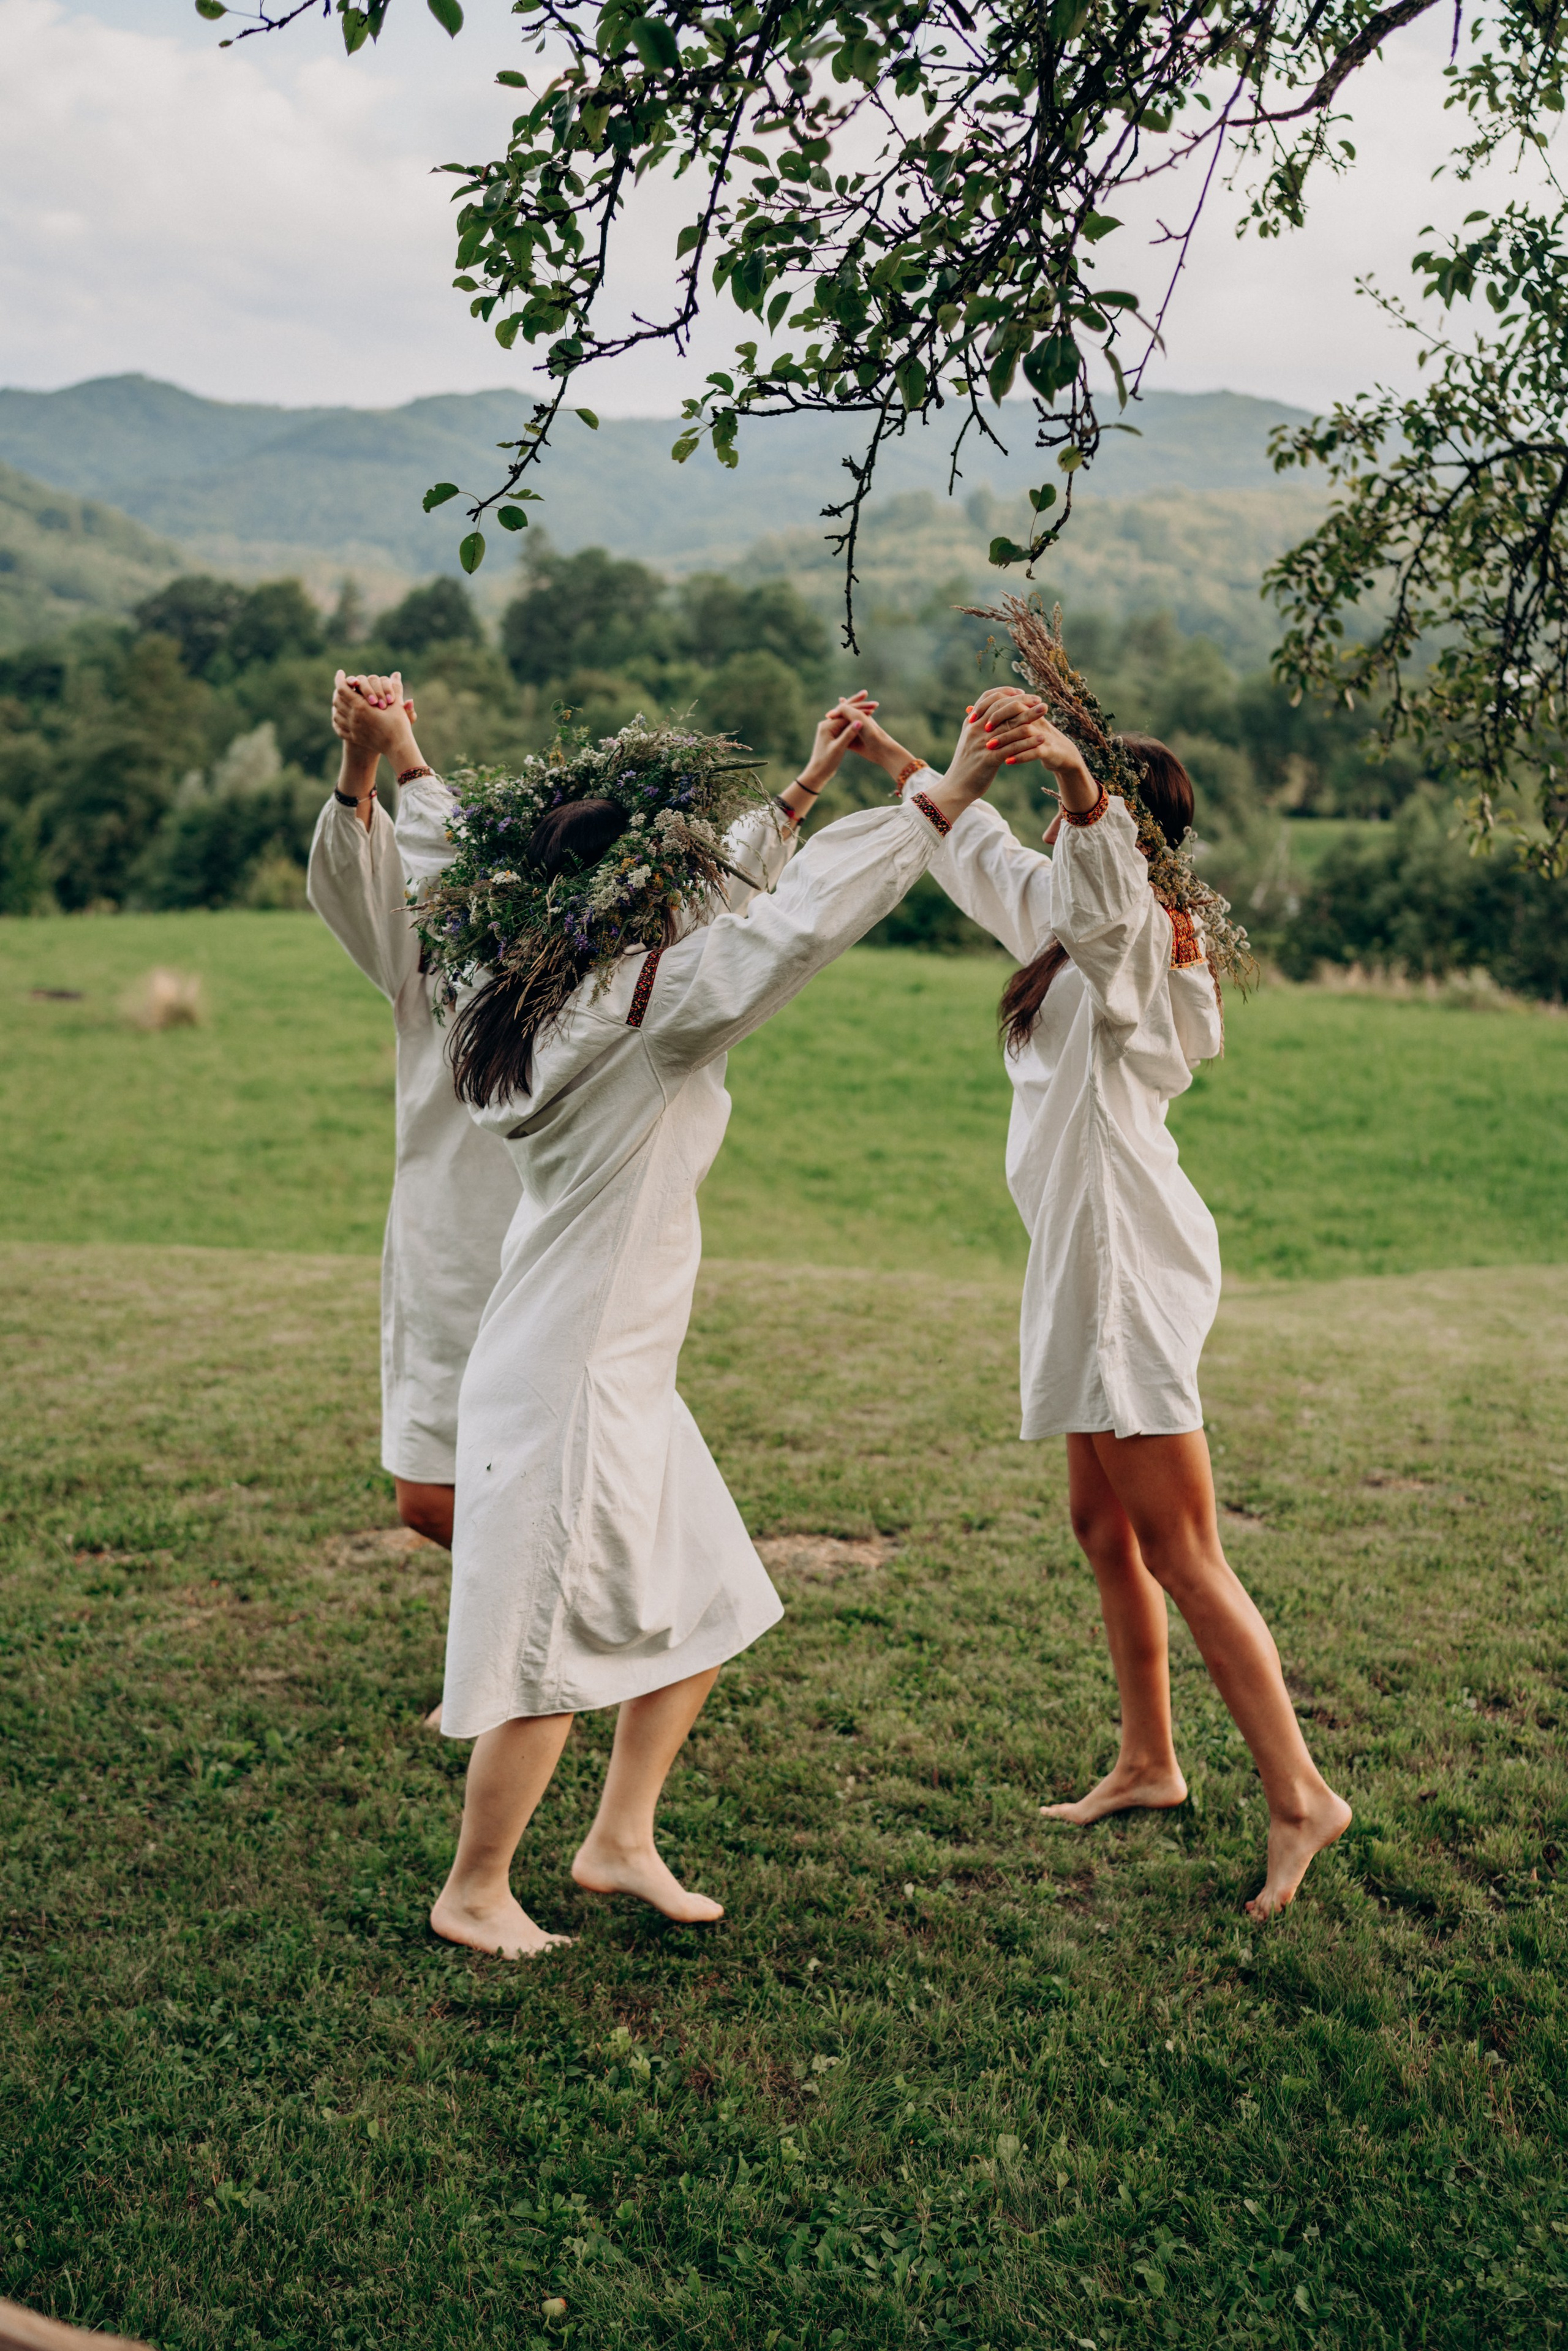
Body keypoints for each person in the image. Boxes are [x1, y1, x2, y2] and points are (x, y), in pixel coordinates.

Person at [363, 688, 1021, 1958]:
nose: (686, 889)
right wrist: (944, 795)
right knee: (549, 1641)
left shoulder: (532, 985)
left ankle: (617, 1839)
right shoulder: (643, 1012)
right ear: (629, 905)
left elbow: (727, 917)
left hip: (603, 1362)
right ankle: (475, 1887)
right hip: (571, 1376)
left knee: (708, 1596)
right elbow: (786, 934)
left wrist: (800, 792)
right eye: (666, 875)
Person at [846, 690, 1351, 1922]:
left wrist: (1080, 780)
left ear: (1137, 837)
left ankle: (1299, 1794)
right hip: (1076, 1260)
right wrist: (894, 755)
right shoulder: (1069, 922)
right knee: (1100, 1522)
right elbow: (980, 852)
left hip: (1124, 1262)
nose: (1070, 824)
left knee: (1181, 1546)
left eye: (1096, 813)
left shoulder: (1140, 939)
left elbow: (1092, 875)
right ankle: (1146, 1760)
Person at [308, 670, 521, 1567]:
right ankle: (525, 1652)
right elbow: (357, 885)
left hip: (542, 1231)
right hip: (441, 1231)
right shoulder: (424, 953)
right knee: (429, 1498)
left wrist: (404, 749)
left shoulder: (577, 973)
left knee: (532, 1469)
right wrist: (361, 754)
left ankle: (532, 1669)